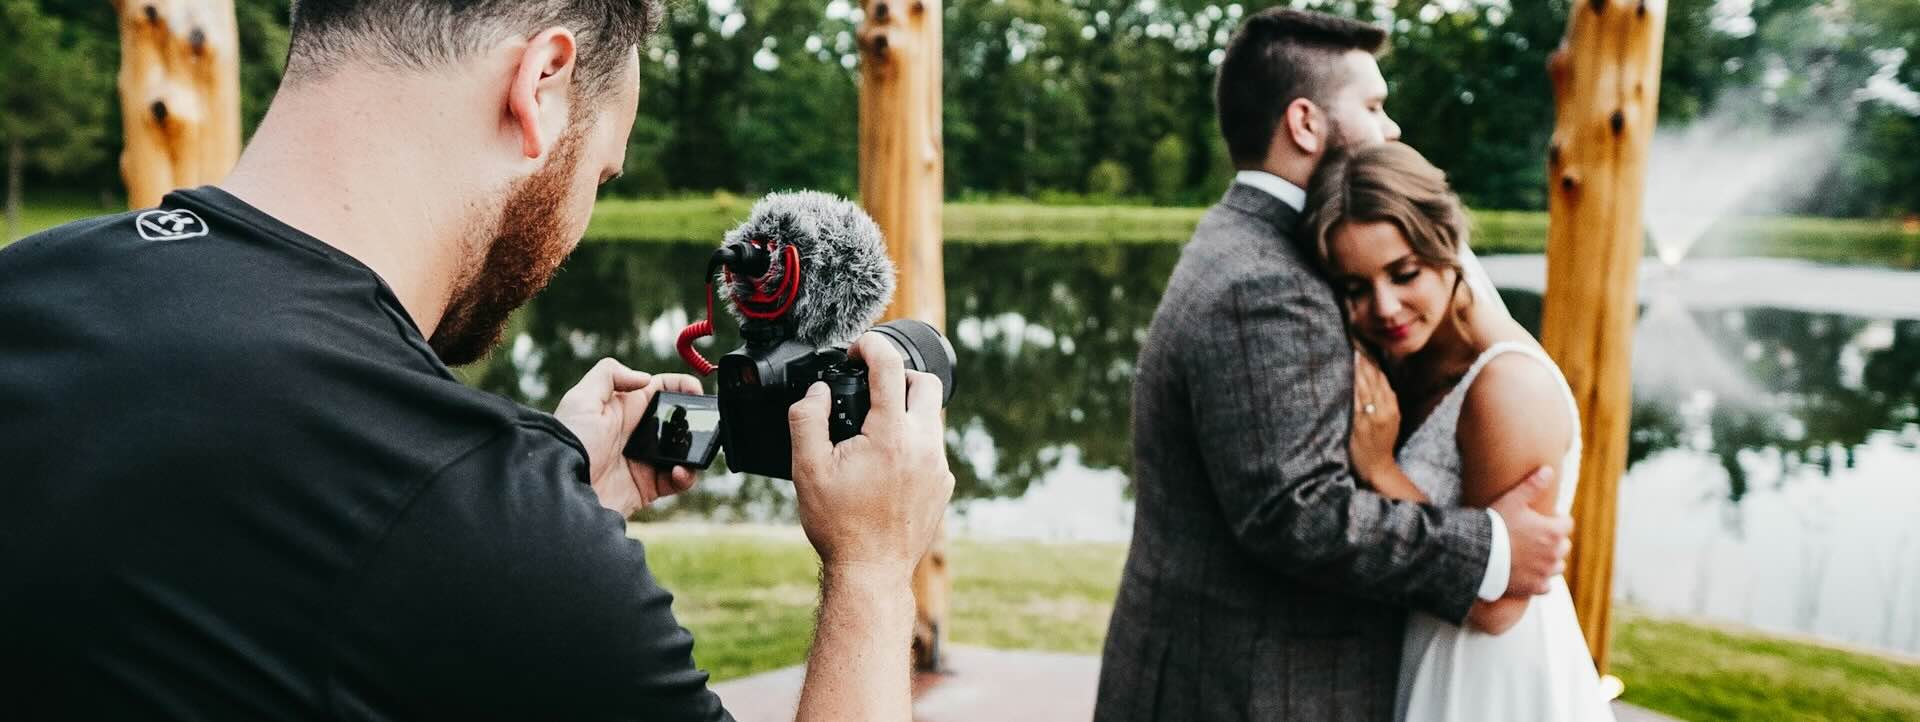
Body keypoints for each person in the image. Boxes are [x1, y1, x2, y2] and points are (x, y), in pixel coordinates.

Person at [0, 1, 952, 720]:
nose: (577, 224)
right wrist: (872, 569)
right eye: (599, 173)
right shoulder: (470, 518)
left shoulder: (29, 287)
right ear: (540, 82)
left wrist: (539, 490)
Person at [1094, 9, 1574, 721]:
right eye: (1375, 107)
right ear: (1306, 123)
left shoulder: (1249, 241)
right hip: (1256, 686)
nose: (1392, 130)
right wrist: (1491, 548)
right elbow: (1294, 512)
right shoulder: (1270, 278)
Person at [1305, 142, 1615, 722]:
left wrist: (1380, 470)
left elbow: (1497, 606)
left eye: (1404, 274)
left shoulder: (1506, 388)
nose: (1384, 306)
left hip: (1484, 678)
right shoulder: (1402, 359)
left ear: (1446, 249)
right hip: (1421, 648)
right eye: (1354, 288)